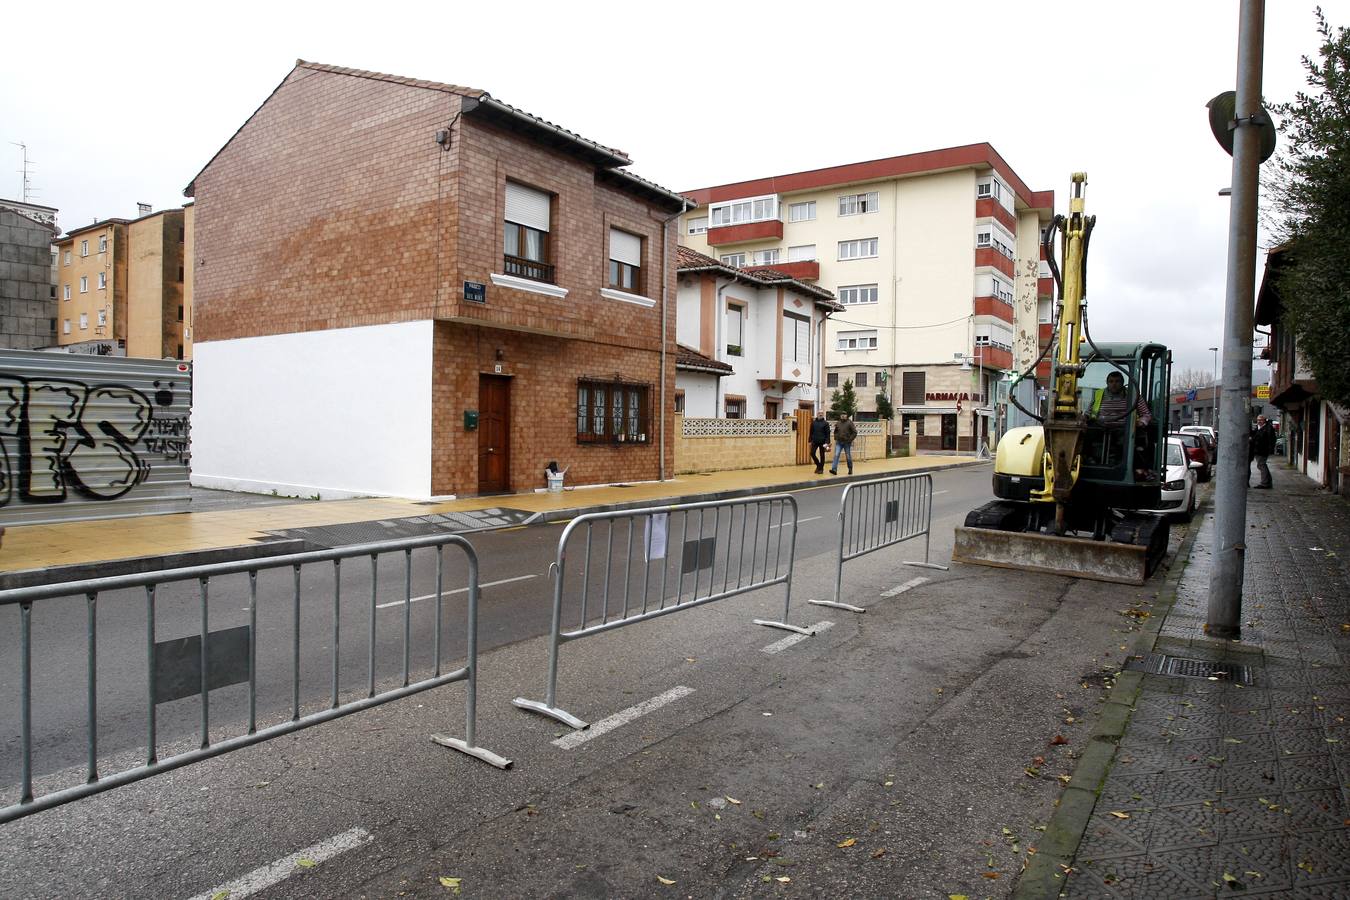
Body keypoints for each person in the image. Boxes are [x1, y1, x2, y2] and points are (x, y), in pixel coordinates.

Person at [1087, 370, 1153, 470]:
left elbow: (1146, 414)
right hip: (1100, 427)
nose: (1114, 384)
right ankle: (1089, 460)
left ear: (1122, 383)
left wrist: (1141, 422)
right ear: (1107, 383)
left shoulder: (1133, 395)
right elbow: (1088, 413)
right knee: (1085, 435)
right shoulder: (1098, 394)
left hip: (1123, 429)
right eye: (1111, 381)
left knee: (1126, 442)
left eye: (1117, 381)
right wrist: (1083, 419)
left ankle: (1124, 466)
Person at [1250, 414, 1276, 488]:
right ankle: (1268, 482)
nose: (1259, 421)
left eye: (1261, 420)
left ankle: (1264, 483)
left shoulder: (1267, 428)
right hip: (1258, 450)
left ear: (1265, 420)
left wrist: (1270, 449)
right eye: (1258, 420)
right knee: (1262, 465)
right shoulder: (1258, 428)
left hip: (1263, 450)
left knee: (1261, 465)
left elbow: (1270, 439)